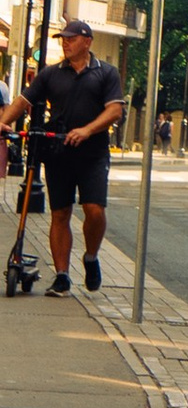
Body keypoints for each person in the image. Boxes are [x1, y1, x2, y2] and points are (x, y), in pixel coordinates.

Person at [3, 20, 126, 295]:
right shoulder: (51, 74)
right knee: (60, 213)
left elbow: (115, 111)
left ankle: (91, 257)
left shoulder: (106, 72)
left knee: (94, 210)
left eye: (71, 38)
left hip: (93, 154)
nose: (65, 43)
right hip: (59, 151)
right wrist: (3, 122)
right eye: (63, 39)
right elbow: (23, 100)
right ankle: (62, 276)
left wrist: (87, 130)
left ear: (87, 41)